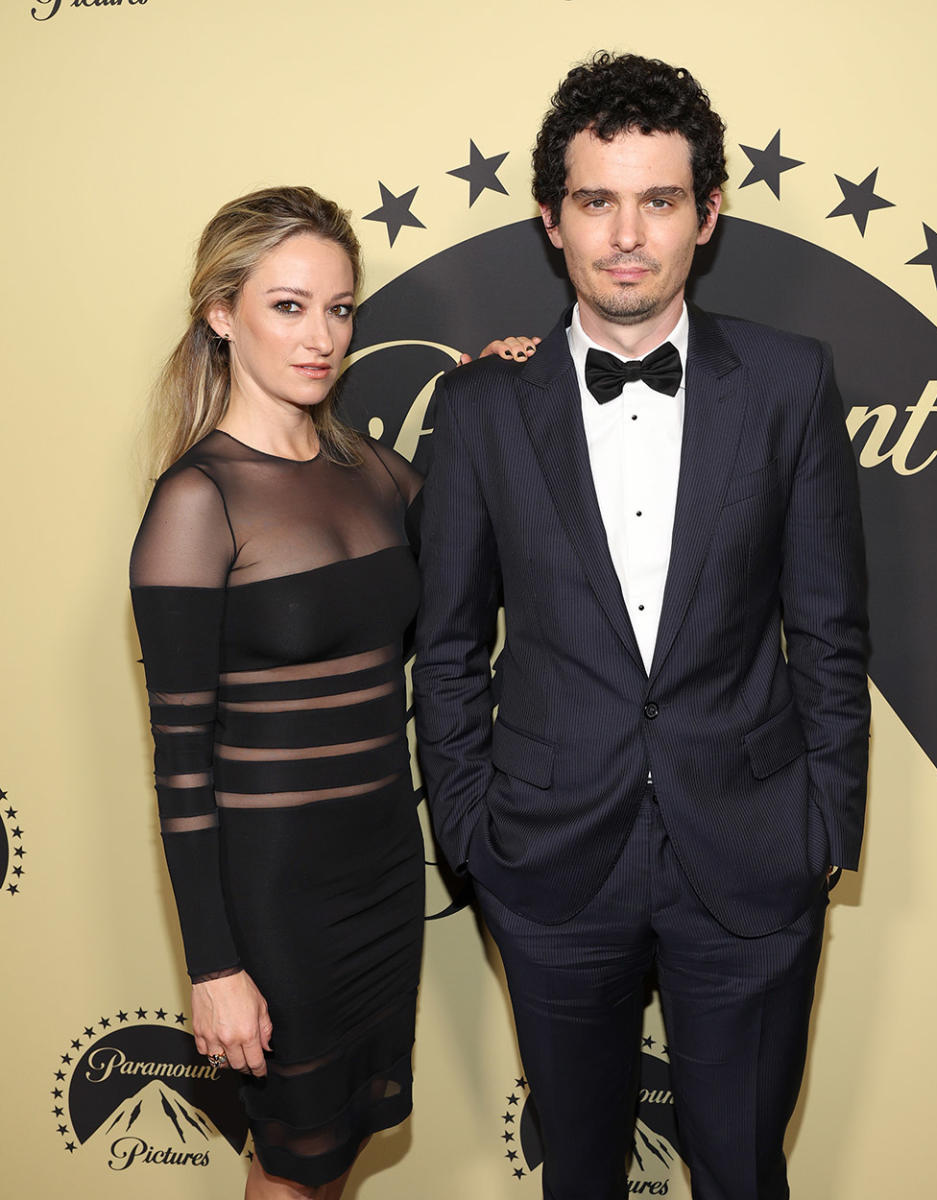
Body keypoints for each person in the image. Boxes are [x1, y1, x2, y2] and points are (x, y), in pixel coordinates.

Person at [413, 52, 869, 1200]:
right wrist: (473, 836)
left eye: (659, 200)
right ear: (550, 219)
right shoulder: (478, 408)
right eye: (597, 200)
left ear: (705, 216)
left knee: (742, 1175)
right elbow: (450, 644)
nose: (628, 233)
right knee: (580, 1178)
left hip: (757, 858)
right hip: (549, 864)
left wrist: (824, 824)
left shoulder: (789, 382)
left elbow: (828, 629)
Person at [130, 185, 535, 1200]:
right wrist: (215, 969)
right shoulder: (199, 500)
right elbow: (180, 768)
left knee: (341, 1148)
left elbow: (475, 542)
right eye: (289, 305)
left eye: (341, 308)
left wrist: (485, 397)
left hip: (386, 873)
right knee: (294, 1161)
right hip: (276, 898)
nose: (322, 337)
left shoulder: (373, 473)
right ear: (222, 314)